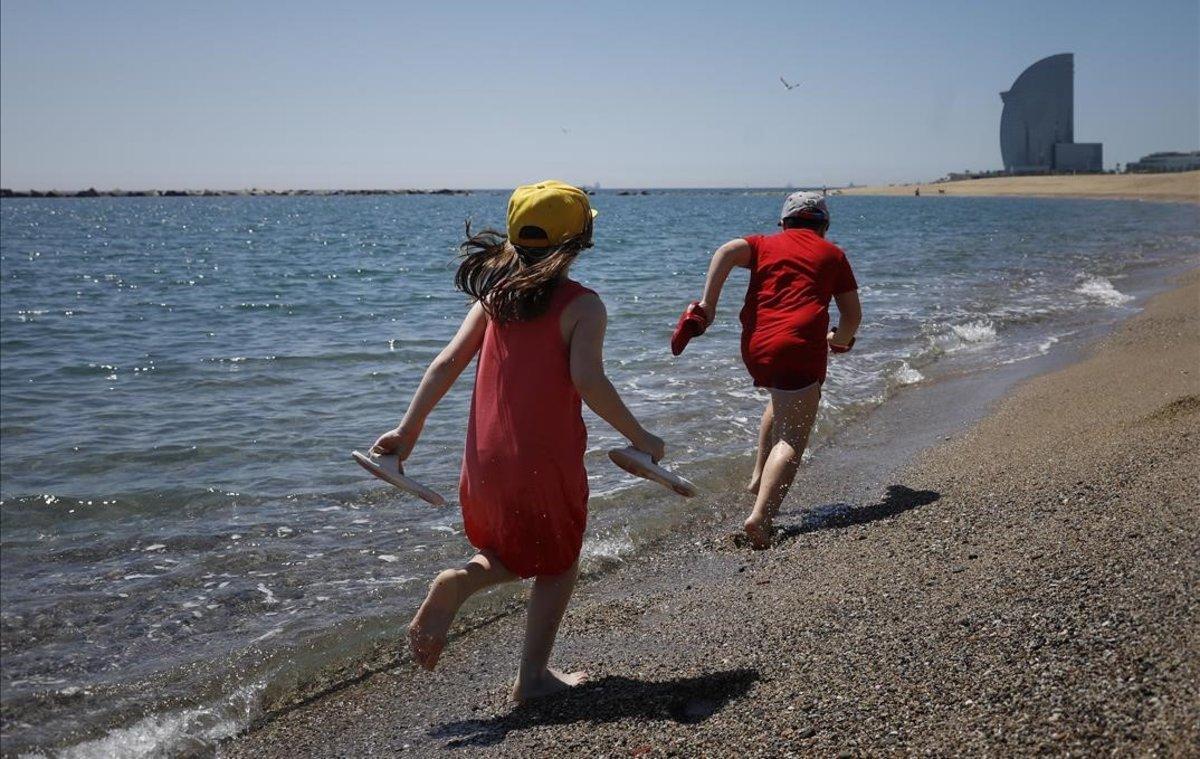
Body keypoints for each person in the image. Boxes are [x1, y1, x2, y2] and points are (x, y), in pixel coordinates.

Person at [372, 180, 665, 701]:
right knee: (559, 560)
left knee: (506, 547)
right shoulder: (583, 306)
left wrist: (407, 431)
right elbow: (589, 382)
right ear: (581, 240)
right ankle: (530, 676)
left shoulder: (494, 299)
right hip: (544, 458)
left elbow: (445, 364)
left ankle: (462, 582)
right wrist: (641, 436)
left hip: (483, 459)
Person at [671, 191, 860, 549]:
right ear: (824, 225)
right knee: (792, 438)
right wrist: (839, 340)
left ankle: (758, 478)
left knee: (781, 399)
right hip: (801, 347)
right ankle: (762, 517)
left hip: (757, 347)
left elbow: (725, 251)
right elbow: (852, 317)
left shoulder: (762, 245)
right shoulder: (833, 254)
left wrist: (708, 307)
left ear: (784, 222)